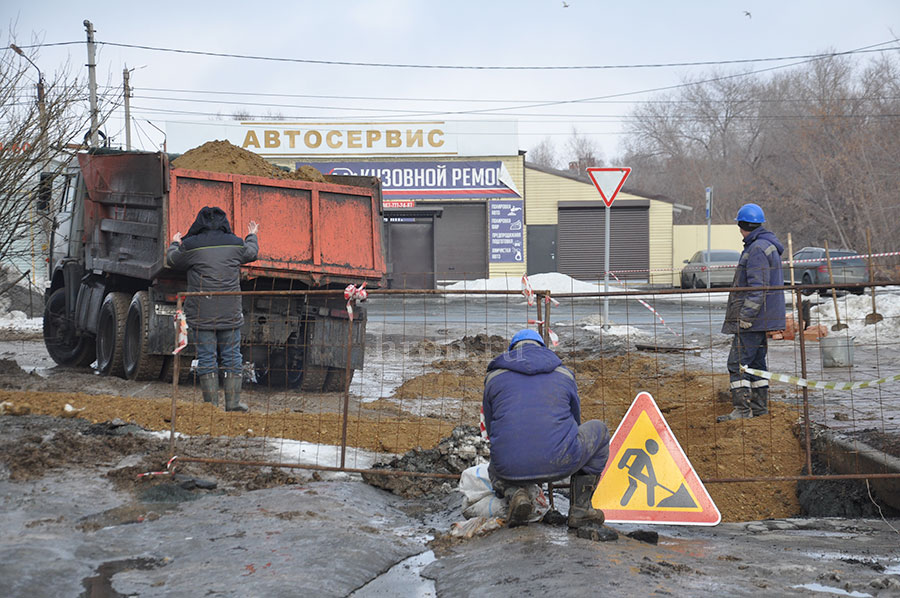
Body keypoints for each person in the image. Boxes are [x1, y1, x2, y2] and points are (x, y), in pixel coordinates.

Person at [482, 329, 611, 528]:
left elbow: (492, 430)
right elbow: (575, 422)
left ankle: (516, 494)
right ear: (542, 348)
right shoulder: (564, 374)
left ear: (512, 351)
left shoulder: (494, 376)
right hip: (562, 462)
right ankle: (581, 509)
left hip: (509, 469)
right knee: (600, 431)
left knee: (495, 460)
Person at [167, 207, 259, 412]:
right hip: (230, 311)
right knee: (232, 356)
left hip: (202, 313)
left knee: (207, 357)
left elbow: (172, 260)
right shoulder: (236, 244)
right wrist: (252, 236)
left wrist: (174, 242)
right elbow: (252, 253)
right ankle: (233, 403)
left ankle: (211, 407)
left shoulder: (191, 246)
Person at [718, 203, 786, 422]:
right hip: (763, 319)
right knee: (757, 365)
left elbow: (758, 288)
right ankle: (759, 409)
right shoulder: (766, 245)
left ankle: (742, 410)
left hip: (754, 320)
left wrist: (745, 317)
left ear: (742, 225)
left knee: (737, 364)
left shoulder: (756, 249)